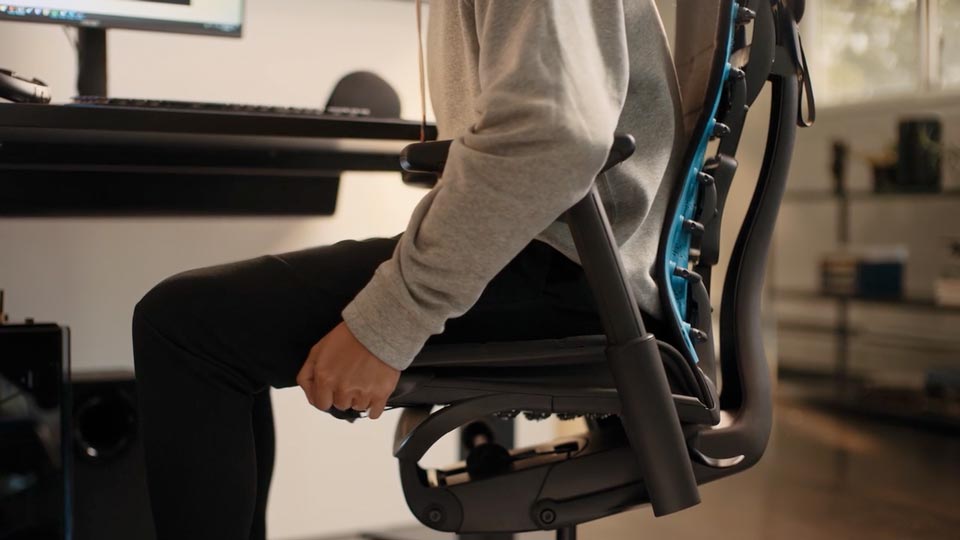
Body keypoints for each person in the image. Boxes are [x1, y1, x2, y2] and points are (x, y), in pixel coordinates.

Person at [132, 1, 683, 538]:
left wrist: (392, 320)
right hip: (583, 262)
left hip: (567, 269)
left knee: (185, 328)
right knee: (208, 324)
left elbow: (552, 135)